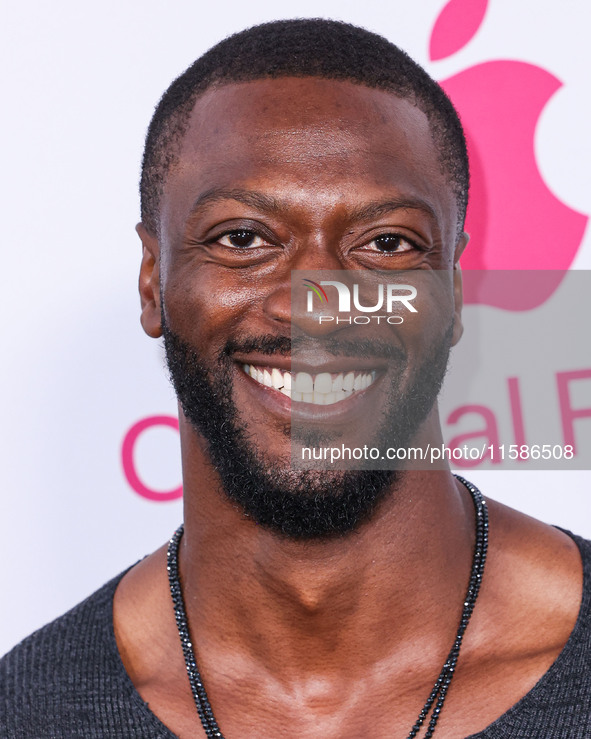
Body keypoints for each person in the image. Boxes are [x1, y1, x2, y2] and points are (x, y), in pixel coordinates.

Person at [1, 19, 588, 739]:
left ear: (453, 292)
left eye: (385, 244)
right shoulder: (29, 712)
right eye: (242, 239)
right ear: (153, 280)